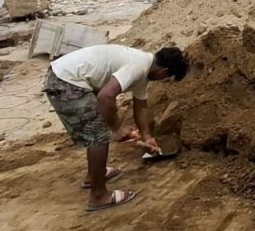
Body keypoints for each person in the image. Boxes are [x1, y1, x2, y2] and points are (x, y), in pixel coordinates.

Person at [43, 44, 189, 212]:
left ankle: (94, 175)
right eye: (167, 77)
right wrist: (118, 127)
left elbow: (140, 106)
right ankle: (99, 196)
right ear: (163, 72)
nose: (163, 80)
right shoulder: (139, 66)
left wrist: (147, 136)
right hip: (66, 81)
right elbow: (105, 96)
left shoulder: (144, 68)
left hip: (65, 75)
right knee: (99, 135)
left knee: (99, 127)